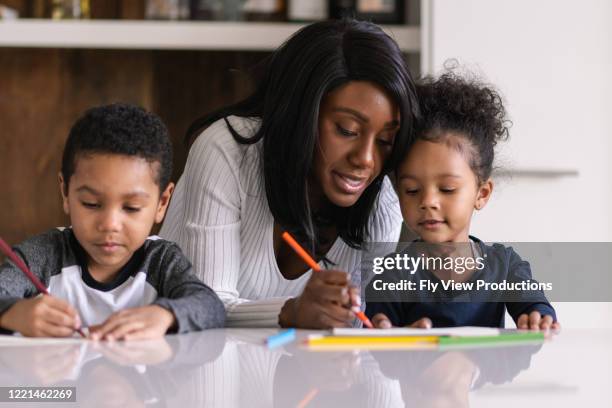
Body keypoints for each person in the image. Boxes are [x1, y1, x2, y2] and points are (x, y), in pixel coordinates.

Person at [160, 19, 420, 328]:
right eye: (346, 130)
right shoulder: (226, 151)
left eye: (385, 140)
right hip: (176, 368)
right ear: (302, 112)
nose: (366, 160)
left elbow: (358, 330)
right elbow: (204, 307)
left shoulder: (382, 202)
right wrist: (290, 312)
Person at [0, 103, 225, 339]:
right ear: (65, 192)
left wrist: (165, 314)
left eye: (131, 207)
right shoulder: (43, 255)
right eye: (91, 204)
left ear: (162, 203)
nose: (109, 224)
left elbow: (211, 307)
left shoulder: (160, 261)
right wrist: (14, 313)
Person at [366, 72, 560, 331]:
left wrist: (538, 315)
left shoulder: (504, 267)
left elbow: (535, 306)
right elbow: (375, 337)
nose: (428, 201)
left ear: (481, 194)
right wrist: (386, 335)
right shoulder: (394, 275)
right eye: (412, 190)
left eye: (446, 189)